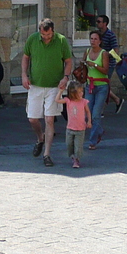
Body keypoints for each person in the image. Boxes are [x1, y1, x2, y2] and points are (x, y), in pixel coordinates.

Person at [22, 18, 73, 167]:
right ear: (40, 32)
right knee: (32, 118)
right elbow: (26, 57)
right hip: (35, 85)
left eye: (49, 35)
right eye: (44, 35)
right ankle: (40, 138)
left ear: (53, 31)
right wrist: (24, 75)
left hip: (54, 86)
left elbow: (68, 61)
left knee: (49, 119)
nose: (46, 38)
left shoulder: (61, 41)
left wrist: (65, 77)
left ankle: (47, 154)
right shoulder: (32, 39)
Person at [83, 30, 110, 150]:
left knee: (95, 115)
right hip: (89, 85)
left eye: (95, 39)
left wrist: (93, 65)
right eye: (91, 39)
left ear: (100, 41)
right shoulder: (87, 51)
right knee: (86, 114)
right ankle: (100, 130)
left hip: (101, 86)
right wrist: (83, 65)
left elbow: (105, 71)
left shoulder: (104, 53)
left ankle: (93, 141)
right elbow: (83, 65)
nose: (93, 41)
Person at [57, 80, 92, 169]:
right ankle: (72, 156)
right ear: (73, 93)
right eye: (79, 92)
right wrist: (61, 91)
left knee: (78, 146)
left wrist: (89, 121)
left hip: (80, 129)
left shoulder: (84, 101)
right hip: (70, 128)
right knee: (69, 144)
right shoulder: (68, 101)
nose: (81, 93)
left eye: (82, 91)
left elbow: (88, 111)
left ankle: (76, 160)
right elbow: (57, 100)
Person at [95, 15, 123, 114]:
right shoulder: (97, 35)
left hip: (108, 65)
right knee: (101, 85)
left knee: (103, 85)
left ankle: (101, 110)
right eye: (97, 21)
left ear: (105, 23)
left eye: (99, 21)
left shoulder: (111, 35)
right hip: (98, 64)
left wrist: (106, 55)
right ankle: (117, 100)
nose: (97, 23)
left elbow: (115, 50)